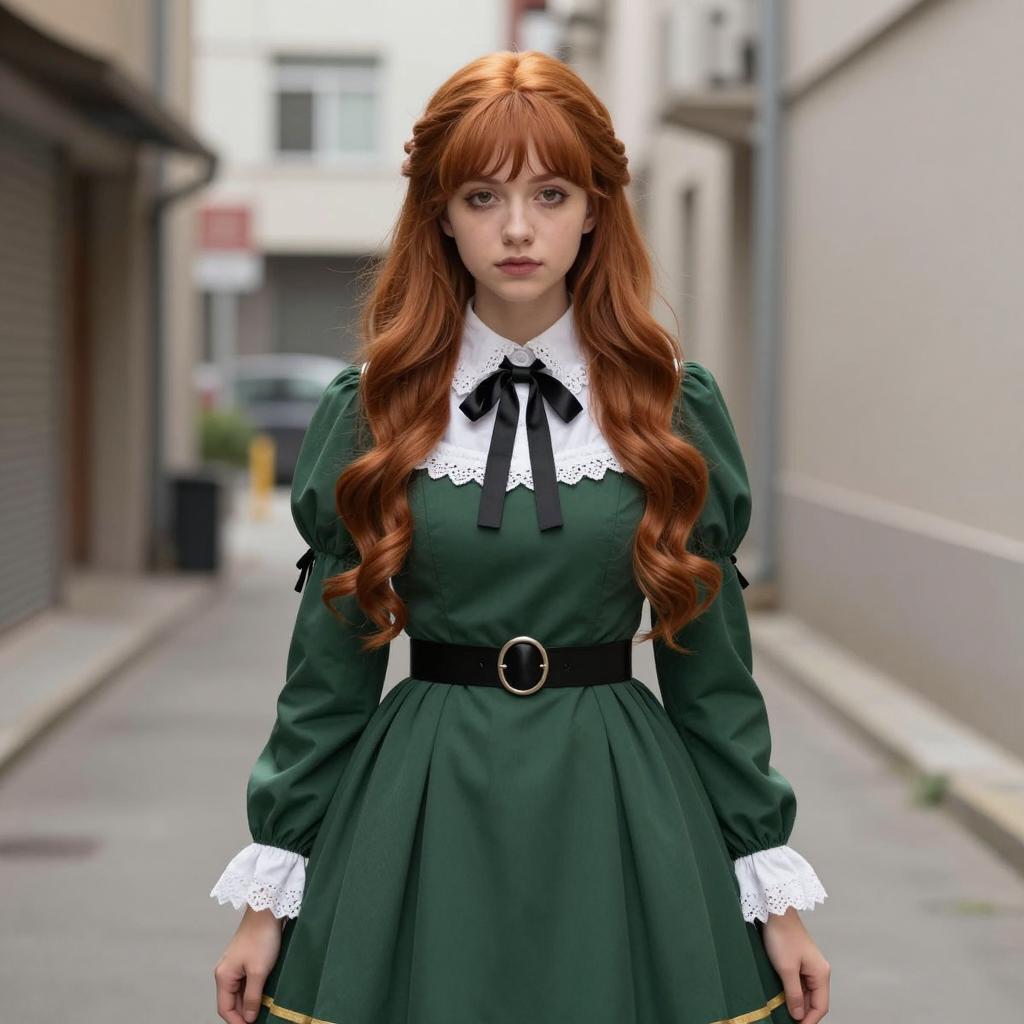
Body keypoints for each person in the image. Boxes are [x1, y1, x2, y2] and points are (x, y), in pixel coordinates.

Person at [210, 49, 830, 1024]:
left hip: (615, 797)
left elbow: (713, 676)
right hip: (425, 799)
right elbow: (325, 678)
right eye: (481, 196)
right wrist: (267, 896)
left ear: (594, 210)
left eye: (549, 193)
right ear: (440, 215)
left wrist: (773, 889)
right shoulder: (372, 408)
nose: (515, 228)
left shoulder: (671, 406)